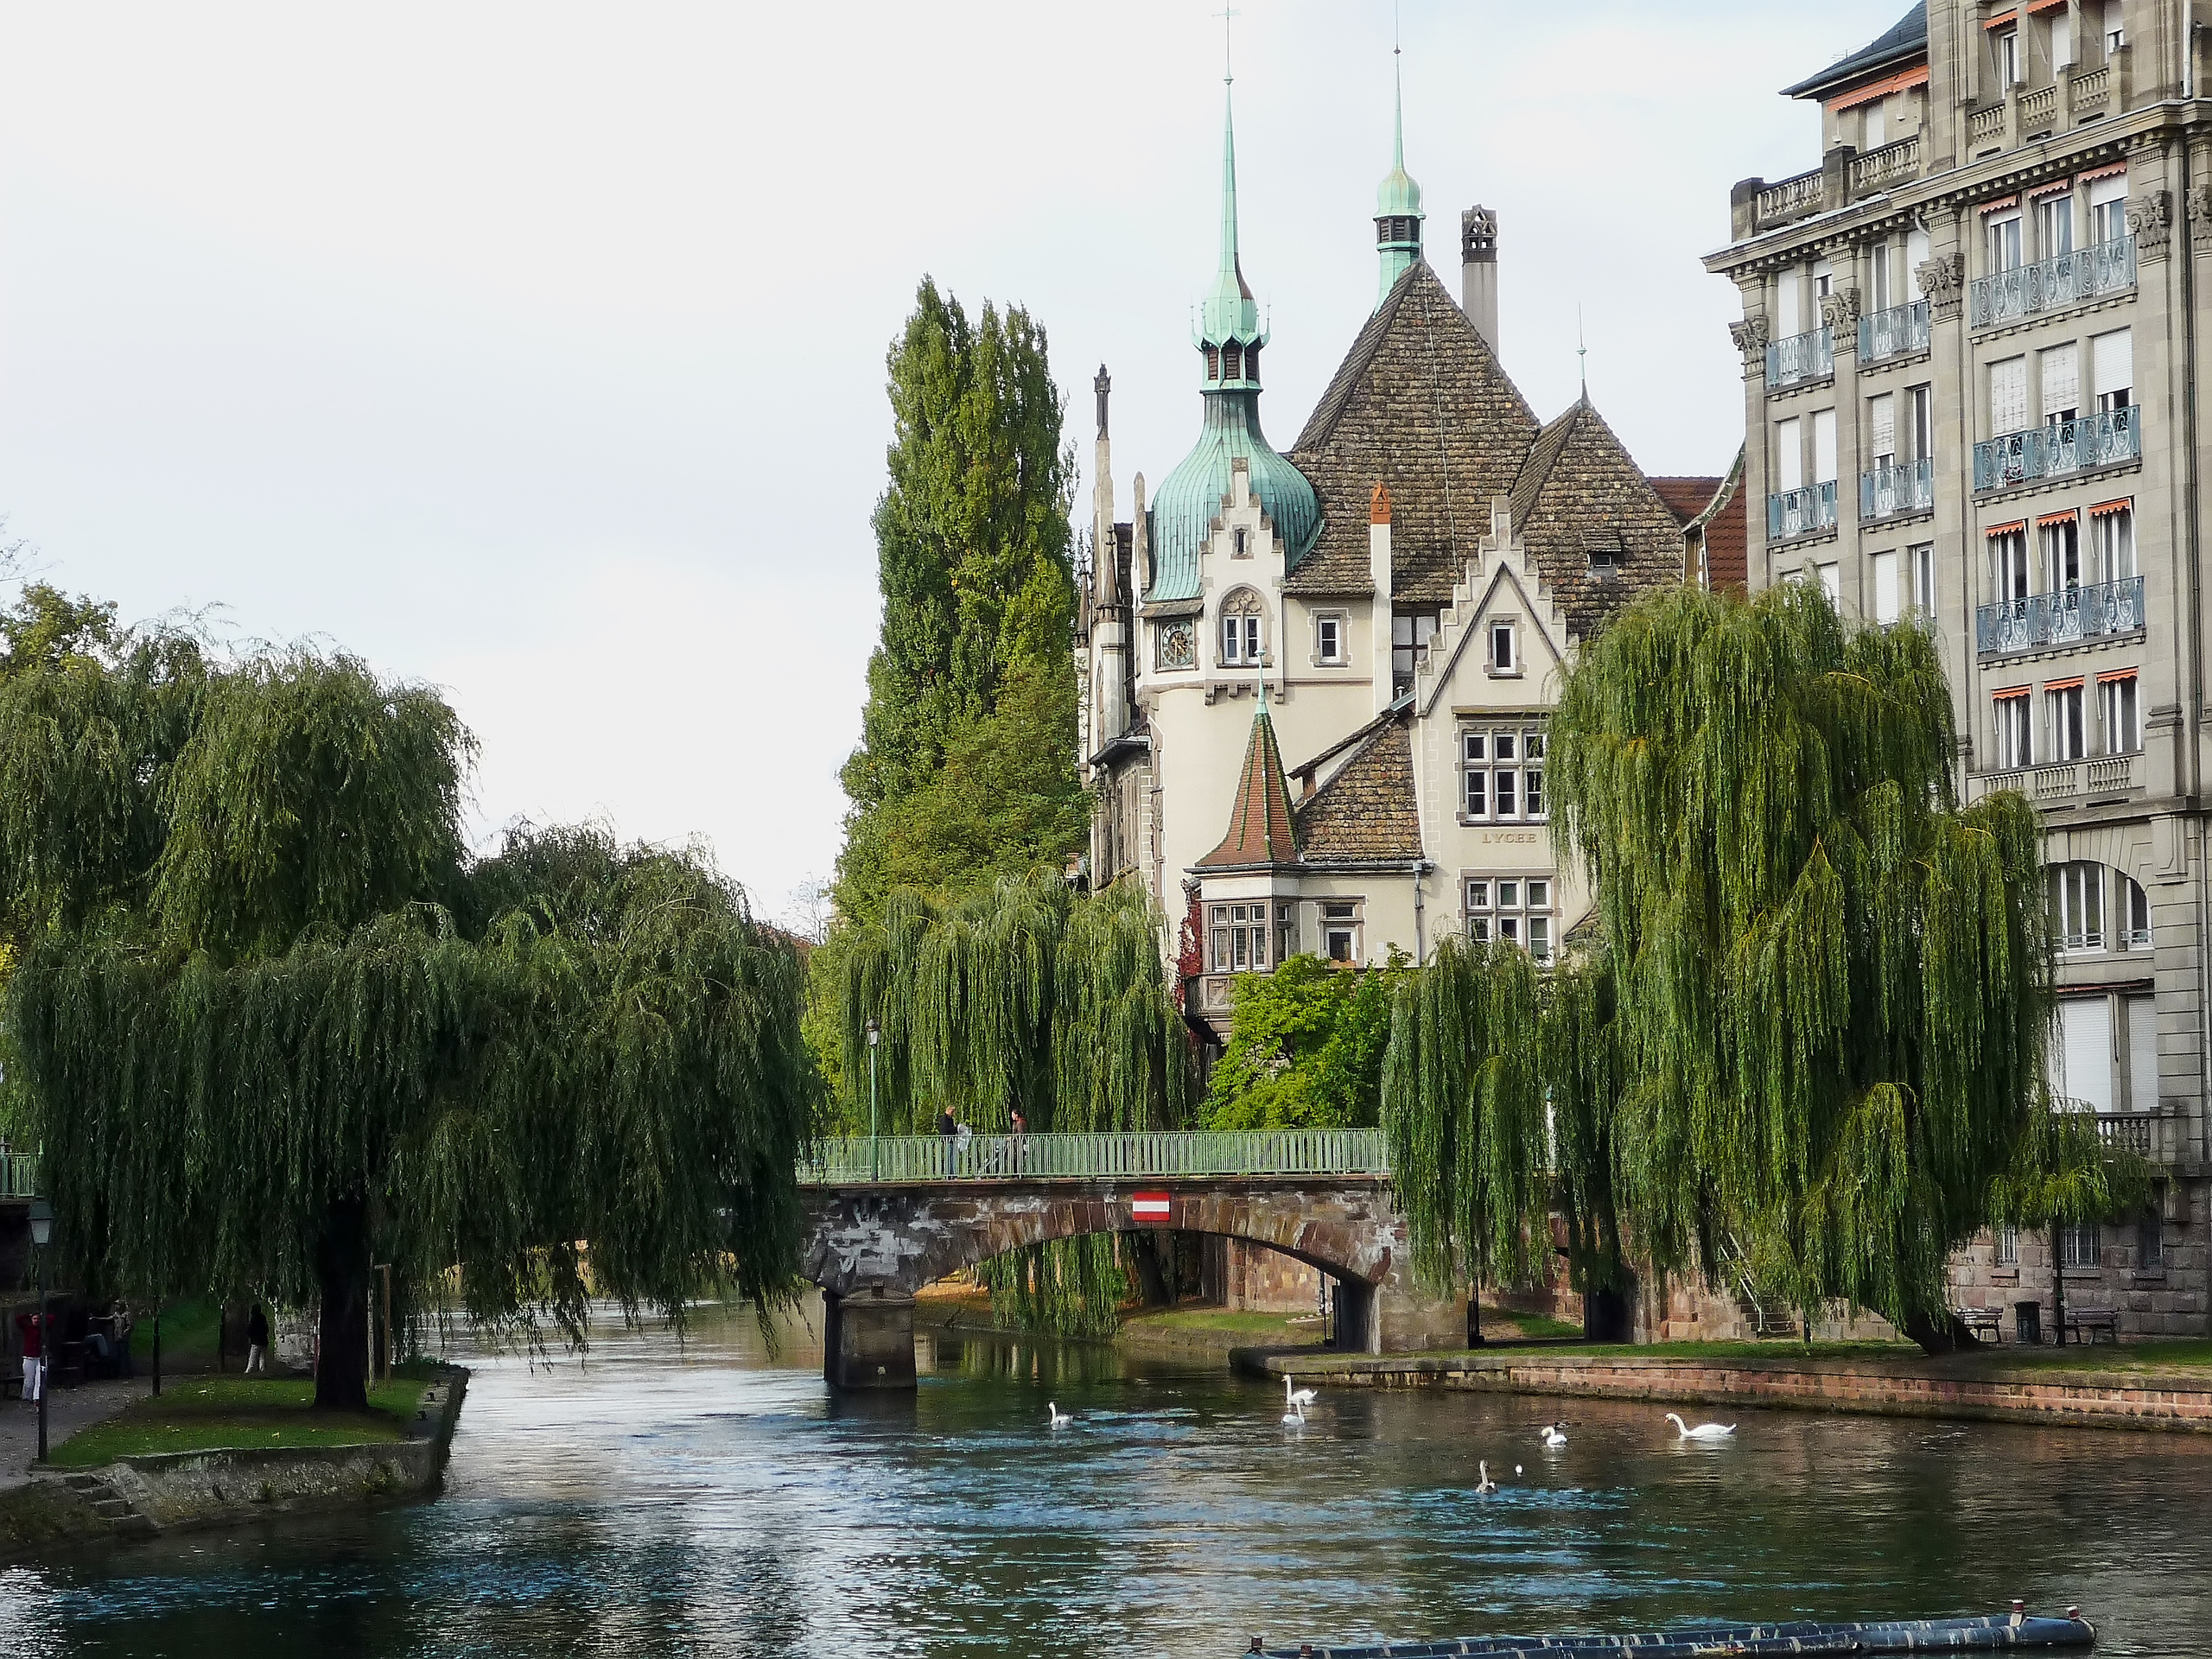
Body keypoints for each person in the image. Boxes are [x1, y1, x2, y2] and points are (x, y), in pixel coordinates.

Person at [15, 1308, 41, 1404]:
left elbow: (52, 1318)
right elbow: (18, 1319)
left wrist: (43, 1315)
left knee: (39, 1378)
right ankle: (27, 1397)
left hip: (38, 1357)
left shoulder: (41, 1329)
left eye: (38, 1319)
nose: (36, 1321)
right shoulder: (27, 1328)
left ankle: (36, 1397)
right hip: (28, 1357)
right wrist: (28, 1315)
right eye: (34, 1319)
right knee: (29, 1379)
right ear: (31, 1319)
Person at [245, 1304, 270, 1376]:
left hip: (256, 1340)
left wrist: (251, 1337)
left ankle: (249, 1369)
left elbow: (250, 1330)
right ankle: (262, 1368)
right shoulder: (263, 1318)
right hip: (263, 1340)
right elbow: (266, 1329)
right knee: (262, 1355)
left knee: (253, 1355)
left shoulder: (253, 1319)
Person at [937, 1103, 957, 1176]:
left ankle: (952, 1173)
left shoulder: (950, 1119)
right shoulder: (945, 1119)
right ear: (948, 1111)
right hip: (947, 1140)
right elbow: (945, 1130)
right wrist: (955, 1129)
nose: (953, 1114)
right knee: (948, 1157)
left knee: (951, 1157)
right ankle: (948, 1174)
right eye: (952, 1112)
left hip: (950, 1140)